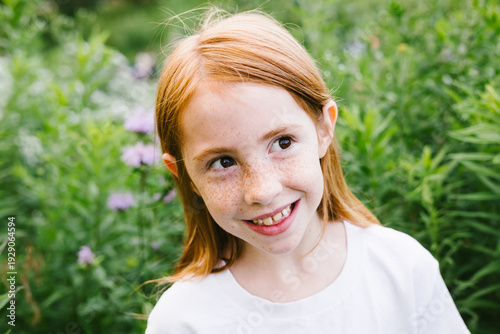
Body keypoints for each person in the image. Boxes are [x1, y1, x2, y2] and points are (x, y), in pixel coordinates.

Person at [146, 8, 470, 334]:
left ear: (324, 128)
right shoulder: (181, 321)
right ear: (184, 175)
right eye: (224, 162)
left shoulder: (402, 269)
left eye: (283, 142)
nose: (263, 190)